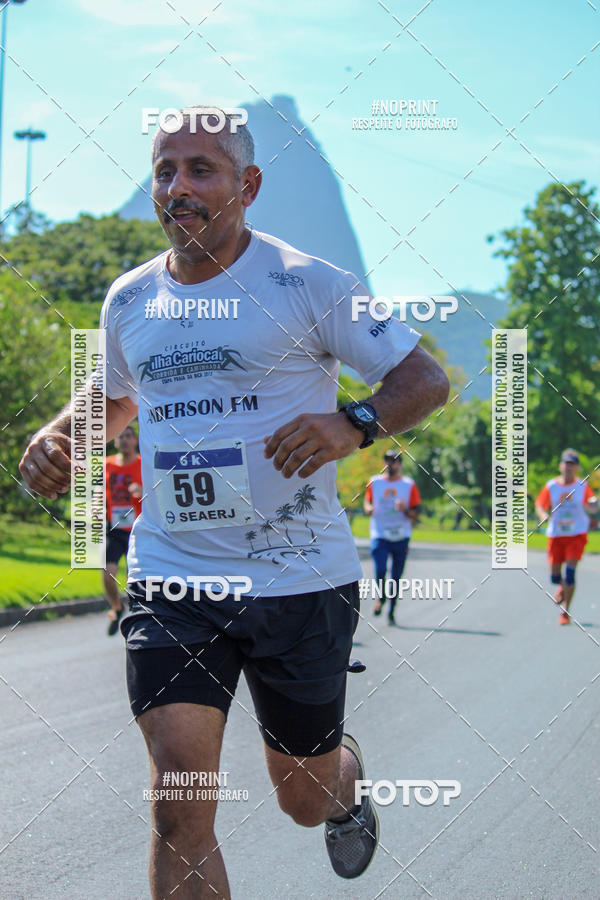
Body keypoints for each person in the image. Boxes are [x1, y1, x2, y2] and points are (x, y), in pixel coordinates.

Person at [18, 106, 449, 899]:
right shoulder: (130, 299)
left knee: (303, 795)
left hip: (298, 581)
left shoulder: (309, 283)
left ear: (247, 185)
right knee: (179, 805)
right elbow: (112, 398)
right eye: (163, 171)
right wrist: (60, 437)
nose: (176, 187)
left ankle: (343, 784)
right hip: (174, 580)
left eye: (200, 170)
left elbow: (424, 379)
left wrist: (353, 422)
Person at [535, 448, 598, 625]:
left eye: (572, 465)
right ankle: (561, 586)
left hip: (576, 534)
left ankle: (565, 612)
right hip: (556, 535)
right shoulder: (551, 486)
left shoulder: (582, 486)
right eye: (566, 464)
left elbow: (592, 503)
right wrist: (543, 515)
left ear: (577, 468)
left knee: (570, 572)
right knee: (555, 577)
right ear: (560, 466)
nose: (568, 468)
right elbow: (540, 504)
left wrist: (593, 506)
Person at [364, 450, 421, 625]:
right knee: (380, 569)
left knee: (396, 576)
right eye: (388, 459)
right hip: (380, 534)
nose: (391, 463)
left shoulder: (408, 485)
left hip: (401, 535)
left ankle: (392, 609)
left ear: (400, 464)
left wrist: (404, 509)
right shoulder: (375, 482)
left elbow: (416, 514)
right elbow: (367, 502)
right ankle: (381, 597)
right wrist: (368, 509)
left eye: (395, 460)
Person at [104, 425, 142, 636]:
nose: (125, 440)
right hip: (115, 529)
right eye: (121, 436)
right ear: (115, 441)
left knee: (132, 576)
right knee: (107, 574)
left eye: (129, 436)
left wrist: (142, 491)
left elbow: (158, 495)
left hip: (137, 529)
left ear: (135, 441)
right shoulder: (106, 464)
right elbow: (96, 490)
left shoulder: (143, 465)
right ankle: (116, 608)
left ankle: (136, 613)